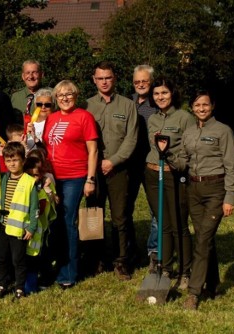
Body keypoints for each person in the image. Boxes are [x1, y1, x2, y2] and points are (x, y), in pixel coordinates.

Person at [177, 91, 234, 310]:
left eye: (205, 104)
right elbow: (184, 158)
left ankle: (194, 293)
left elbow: (231, 166)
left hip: (215, 190)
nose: (201, 108)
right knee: (204, 237)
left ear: (212, 106)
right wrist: (166, 154)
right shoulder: (190, 131)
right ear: (192, 107)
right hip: (193, 189)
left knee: (202, 239)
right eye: (197, 105)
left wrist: (229, 197)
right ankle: (212, 284)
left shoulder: (223, 131)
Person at [42, 80, 98, 288]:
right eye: (60, 95)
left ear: (76, 95)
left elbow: (93, 150)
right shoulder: (52, 118)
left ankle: (69, 271)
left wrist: (90, 179)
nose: (64, 98)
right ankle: (55, 265)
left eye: (69, 94)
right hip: (52, 176)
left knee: (68, 221)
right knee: (53, 222)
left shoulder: (84, 117)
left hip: (75, 176)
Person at [86, 61, 138, 280]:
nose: (104, 81)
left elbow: (131, 138)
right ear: (94, 80)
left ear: (114, 78)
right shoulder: (86, 105)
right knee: (93, 215)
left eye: (108, 77)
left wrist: (113, 161)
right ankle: (95, 260)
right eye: (100, 78)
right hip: (93, 170)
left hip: (118, 170)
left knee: (120, 217)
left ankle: (121, 262)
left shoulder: (127, 105)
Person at [144, 76, 195, 290]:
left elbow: (189, 148)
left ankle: (185, 270)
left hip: (174, 175)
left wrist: (173, 156)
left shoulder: (184, 118)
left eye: (164, 92)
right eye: (156, 94)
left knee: (178, 225)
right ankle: (165, 266)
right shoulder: (152, 119)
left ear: (172, 94)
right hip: (153, 174)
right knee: (162, 222)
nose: (160, 97)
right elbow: (152, 146)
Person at [0, 142, 40, 299]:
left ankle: (19, 288)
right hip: (2, 227)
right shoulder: (1, 178)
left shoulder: (29, 182)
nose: (12, 164)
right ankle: (2, 285)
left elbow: (35, 208)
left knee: (18, 260)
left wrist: (31, 227)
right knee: (1, 258)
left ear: (23, 160)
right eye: (8, 160)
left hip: (19, 228)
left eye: (15, 160)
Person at [130, 65, 160, 273]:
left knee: (155, 210)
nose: (141, 85)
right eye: (137, 81)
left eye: (145, 81)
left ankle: (154, 252)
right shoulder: (127, 102)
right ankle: (129, 250)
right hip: (130, 163)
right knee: (124, 209)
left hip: (151, 163)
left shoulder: (158, 103)